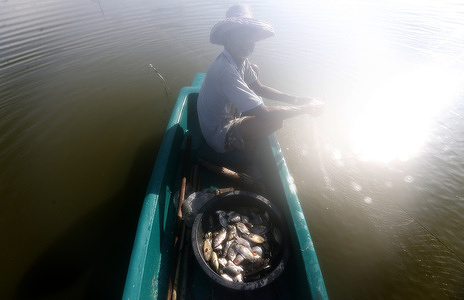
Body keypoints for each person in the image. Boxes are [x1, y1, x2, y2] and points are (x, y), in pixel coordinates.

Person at [197, 4, 324, 154]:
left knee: (254, 69)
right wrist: (307, 108)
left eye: (250, 36)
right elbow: (266, 114)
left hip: (222, 117)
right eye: (241, 35)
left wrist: (298, 100)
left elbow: (260, 88)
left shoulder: (239, 60)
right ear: (227, 39)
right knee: (273, 121)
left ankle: (245, 123)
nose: (247, 41)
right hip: (217, 135)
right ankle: (236, 145)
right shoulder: (225, 71)